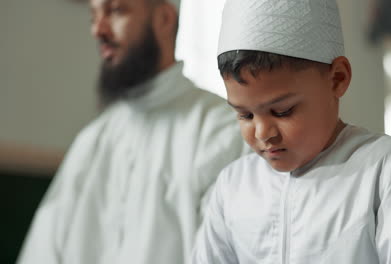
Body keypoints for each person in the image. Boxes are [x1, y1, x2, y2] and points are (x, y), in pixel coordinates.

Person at [192, 0, 391, 263]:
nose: (262, 133)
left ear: (337, 79)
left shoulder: (389, 170)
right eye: (245, 115)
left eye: (282, 111)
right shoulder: (233, 186)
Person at [17, 0, 247, 263]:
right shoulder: (92, 141)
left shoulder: (220, 129)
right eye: (94, 16)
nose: (98, 29)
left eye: (115, 11)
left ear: (163, 19)